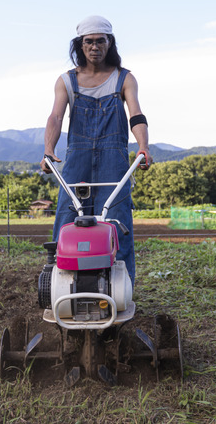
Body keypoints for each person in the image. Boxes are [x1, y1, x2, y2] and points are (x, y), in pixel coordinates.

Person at [40, 15, 152, 285]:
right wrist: (48, 150)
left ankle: (121, 287)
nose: (94, 47)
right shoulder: (67, 81)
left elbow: (135, 114)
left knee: (117, 221)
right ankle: (61, 281)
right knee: (68, 218)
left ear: (109, 43)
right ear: (80, 45)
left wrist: (143, 147)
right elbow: (55, 117)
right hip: (76, 161)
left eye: (100, 41)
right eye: (88, 42)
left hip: (113, 162)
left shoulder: (124, 79)